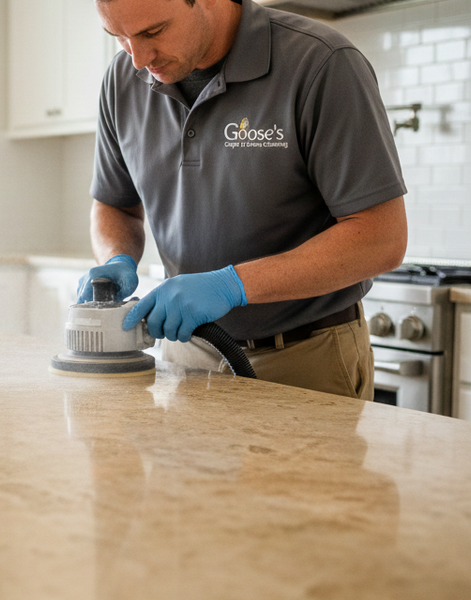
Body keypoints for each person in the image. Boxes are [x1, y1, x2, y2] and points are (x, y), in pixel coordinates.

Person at [77, 0, 408, 399]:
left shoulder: (321, 63)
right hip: (185, 356)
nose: (138, 59)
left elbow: (381, 239)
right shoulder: (122, 81)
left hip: (305, 358)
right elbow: (115, 205)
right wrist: (116, 257)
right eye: (120, 38)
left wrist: (232, 285)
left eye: (153, 32)